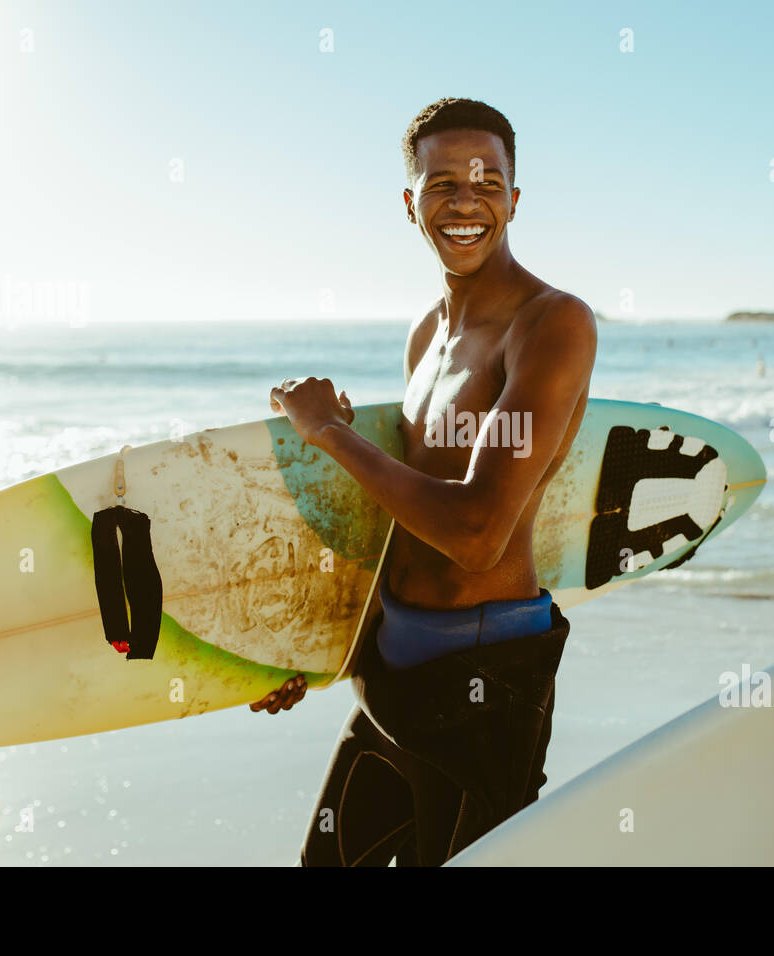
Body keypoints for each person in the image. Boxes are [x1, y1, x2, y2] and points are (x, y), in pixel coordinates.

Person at [253, 97, 597, 866]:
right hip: (387, 671)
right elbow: (398, 520)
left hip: (485, 686)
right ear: (411, 205)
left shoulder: (552, 323)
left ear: (514, 197)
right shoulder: (425, 334)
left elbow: (477, 534)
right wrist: (320, 652)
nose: (466, 201)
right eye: (443, 184)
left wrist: (330, 433)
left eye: (486, 182)